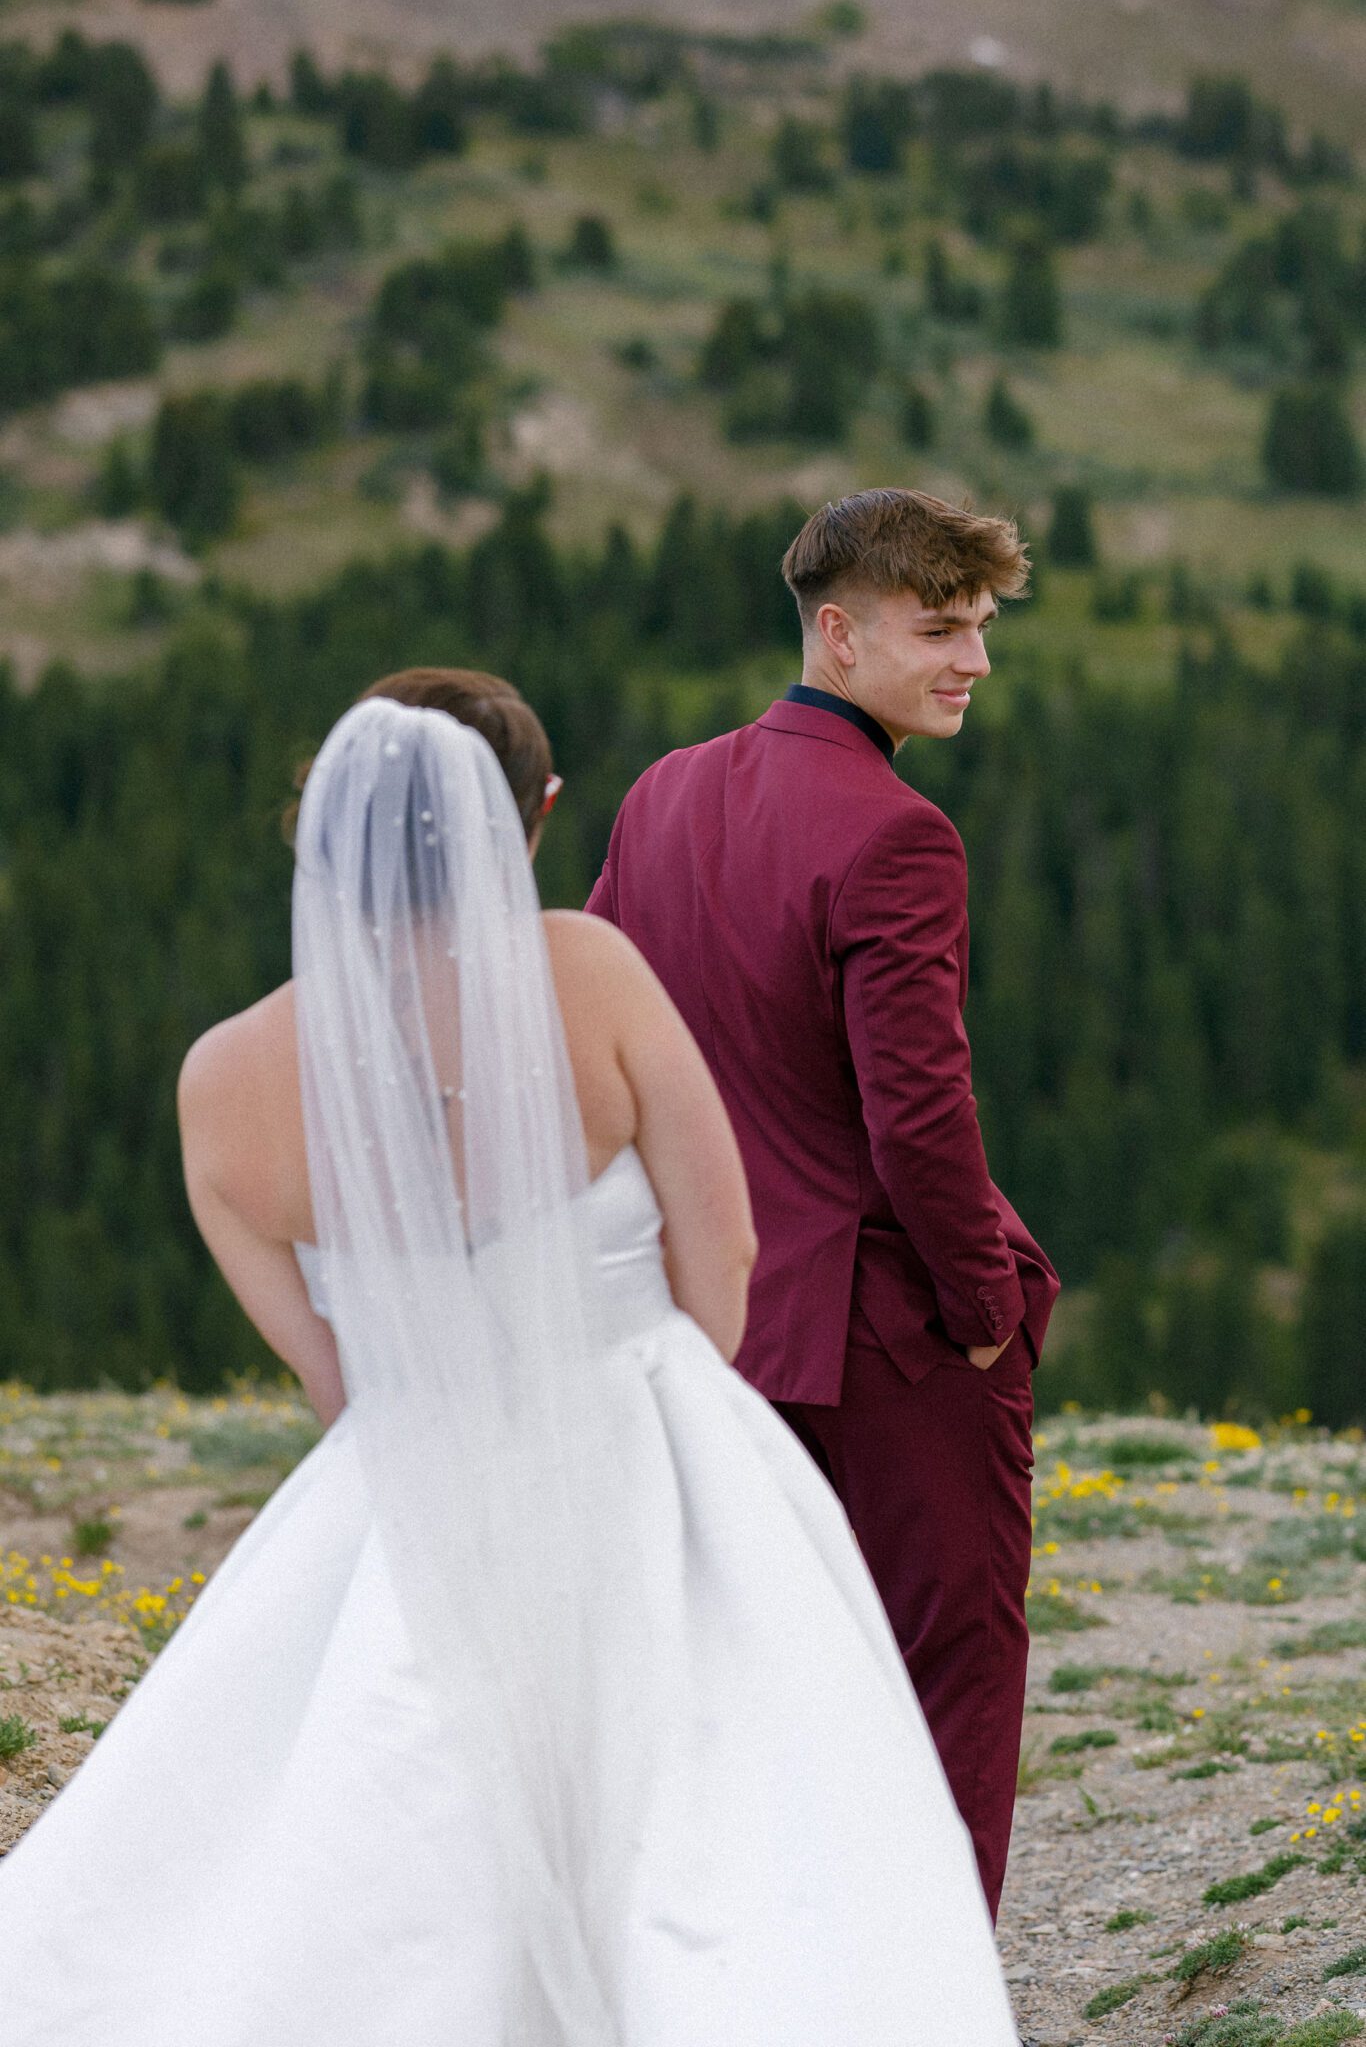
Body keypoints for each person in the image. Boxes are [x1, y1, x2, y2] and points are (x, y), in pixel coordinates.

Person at [0, 666, 1018, 2045]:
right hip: (635, 1428)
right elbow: (719, 1260)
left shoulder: (222, 1081)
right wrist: (665, 1399)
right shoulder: (585, 970)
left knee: (388, 1811)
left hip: (413, 1475)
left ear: (323, 829)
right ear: (529, 816)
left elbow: (329, 1374)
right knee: (738, 1817)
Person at [587, 489, 1061, 1920]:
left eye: (980, 629)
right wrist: (982, 1310)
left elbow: (608, 1057)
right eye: (939, 630)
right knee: (945, 1678)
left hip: (707, 1329)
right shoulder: (896, 835)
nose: (972, 661)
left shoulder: (661, 793)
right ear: (837, 633)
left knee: (746, 1682)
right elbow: (916, 1115)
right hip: (886, 1337)